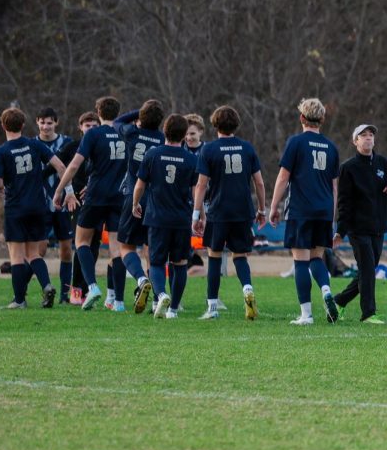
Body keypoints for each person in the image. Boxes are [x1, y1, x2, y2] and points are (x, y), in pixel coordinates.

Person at [52, 96, 129, 312]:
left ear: (98, 112)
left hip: (95, 195)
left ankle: (92, 287)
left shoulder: (93, 134)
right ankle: (119, 302)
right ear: (118, 112)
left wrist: (59, 190)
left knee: (82, 242)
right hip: (118, 197)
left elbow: (75, 165)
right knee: (116, 249)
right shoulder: (125, 133)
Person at [268, 98, 341, 326]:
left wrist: (273, 207)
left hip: (300, 209)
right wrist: (332, 213)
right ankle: (327, 290)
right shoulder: (331, 147)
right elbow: (334, 186)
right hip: (324, 211)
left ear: (301, 118)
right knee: (317, 258)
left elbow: (283, 177)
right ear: (322, 119)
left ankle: (306, 315)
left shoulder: (296, 143)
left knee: (300, 261)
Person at [191, 105, 266, 321]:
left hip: (218, 211)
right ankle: (248, 289)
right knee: (240, 255)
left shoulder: (209, 149)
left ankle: (212, 308)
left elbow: (201, 185)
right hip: (243, 210)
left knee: (214, 256)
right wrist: (261, 209)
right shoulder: (247, 148)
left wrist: (196, 214)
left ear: (215, 125)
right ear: (236, 124)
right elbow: (259, 183)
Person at [0, 108, 67, 309]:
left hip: (16, 208)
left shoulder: (2, 152)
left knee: (16, 255)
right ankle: (47, 285)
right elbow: (60, 167)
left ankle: (19, 300)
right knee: (34, 254)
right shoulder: (35, 145)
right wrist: (63, 191)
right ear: (23, 125)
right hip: (38, 206)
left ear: (3, 126)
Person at [133, 114, 197, 319]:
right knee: (179, 264)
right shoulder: (191, 158)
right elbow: (196, 190)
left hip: (157, 218)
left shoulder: (152, 155)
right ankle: (174, 309)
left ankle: (161, 295)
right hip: (181, 219)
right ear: (184, 135)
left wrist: (135, 203)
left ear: (165, 131)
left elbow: (140, 185)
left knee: (157, 262)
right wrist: (199, 215)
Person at [333, 123, 387, 324]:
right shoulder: (348, 168)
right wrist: (340, 231)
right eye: (363, 135)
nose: (368, 138)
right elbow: (344, 202)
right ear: (355, 141)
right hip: (357, 228)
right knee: (368, 270)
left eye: (371, 135)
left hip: (378, 227)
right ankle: (368, 313)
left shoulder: (382, 163)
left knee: (367, 270)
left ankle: (339, 300)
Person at [114, 99, 164, 314]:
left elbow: (116, 121)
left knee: (125, 247)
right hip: (156, 200)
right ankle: (156, 300)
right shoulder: (162, 138)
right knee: (151, 250)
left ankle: (141, 279)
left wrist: (138, 112)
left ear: (141, 118)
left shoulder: (132, 133)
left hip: (134, 195)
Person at [35, 108, 77, 302]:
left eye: (49, 123)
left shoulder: (67, 142)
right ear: (37, 123)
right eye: (42, 122)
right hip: (40, 204)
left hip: (63, 204)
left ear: (56, 123)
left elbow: (72, 169)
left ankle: (64, 295)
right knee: (39, 249)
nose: (46, 126)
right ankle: (41, 289)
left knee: (66, 249)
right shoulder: (32, 145)